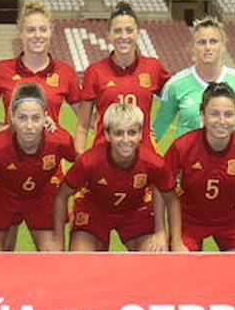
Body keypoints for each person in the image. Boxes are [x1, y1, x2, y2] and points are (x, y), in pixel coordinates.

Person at [0, 82, 77, 252]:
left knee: (54, 261)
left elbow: (79, 164)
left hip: (43, 197)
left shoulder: (60, 141)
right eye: (22, 118)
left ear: (46, 116)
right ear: (11, 117)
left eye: (36, 118)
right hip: (0, 198)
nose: (29, 126)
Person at [163, 82, 235, 252]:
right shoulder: (182, 147)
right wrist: (171, 237)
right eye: (214, 114)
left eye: (228, 114)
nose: (221, 121)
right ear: (202, 115)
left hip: (232, 220)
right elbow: (161, 188)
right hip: (189, 220)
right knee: (181, 268)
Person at [53, 102, 171, 252]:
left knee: (153, 261)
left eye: (132, 132)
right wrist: (58, 240)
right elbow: (61, 195)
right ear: (107, 135)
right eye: (118, 133)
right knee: (81, 264)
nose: (126, 140)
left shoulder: (152, 161)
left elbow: (168, 195)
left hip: (135, 211)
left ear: (141, 133)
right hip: (94, 211)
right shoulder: (89, 161)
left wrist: (161, 232)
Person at [74, 2, 169, 154]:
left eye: (129, 30)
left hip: (143, 156)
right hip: (103, 156)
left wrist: (157, 125)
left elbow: (177, 97)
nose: (124, 36)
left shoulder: (153, 67)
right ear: (109, 36)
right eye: (118, 31)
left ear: (138, 33)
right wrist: (80, 157)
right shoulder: (94, 71)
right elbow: (83, 125)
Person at [152, 17, 235, 145]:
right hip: (187, 162)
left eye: (213, 41)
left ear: (223, 46)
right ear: (193, 47)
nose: (207, 47)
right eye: (201, 42)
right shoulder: (175, 84)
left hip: (227, 162)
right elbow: (158, 128)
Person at [0, 0, 80, 130]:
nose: (37, 35)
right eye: (30, 30)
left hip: (51, 149)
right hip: (12, 149)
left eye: (43, 29)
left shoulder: (65, 71)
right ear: (21, 33)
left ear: (51, 31)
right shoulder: (2, 69)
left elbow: (86, 122)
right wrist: (13, 130)